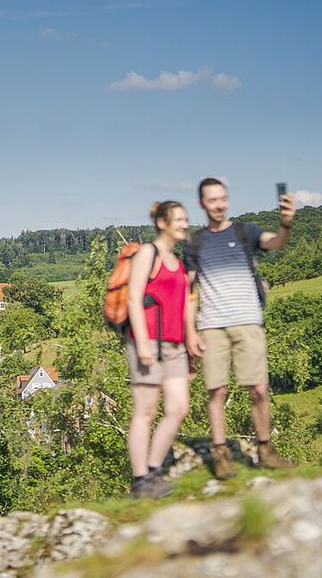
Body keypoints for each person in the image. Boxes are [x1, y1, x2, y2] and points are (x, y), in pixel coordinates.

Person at [184, 177, 295, 478]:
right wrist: (190, 332)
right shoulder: (194, 242)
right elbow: (190, 292)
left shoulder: (246, 231)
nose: (219, 204)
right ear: (202, 204)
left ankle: (265, 450)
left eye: (222, 198)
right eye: (212, 200)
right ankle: (220, 454)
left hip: (248, 320)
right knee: (216, 390)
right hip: (212, 326)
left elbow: (275, 243)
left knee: (259, 389)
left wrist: (285, 225)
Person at [126, 200, 191, 498]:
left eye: (185, 219)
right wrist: (141, 344)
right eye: (178, 219)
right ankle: (141, 480)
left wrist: (190, 347)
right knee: (146, 411)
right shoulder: (147, 254)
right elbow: (133, 300)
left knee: (178, 407)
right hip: (148, 342)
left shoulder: (179, 263)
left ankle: (154, 469)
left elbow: (184, 306)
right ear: (163, 223)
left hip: (175, 346)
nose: (184, 224)